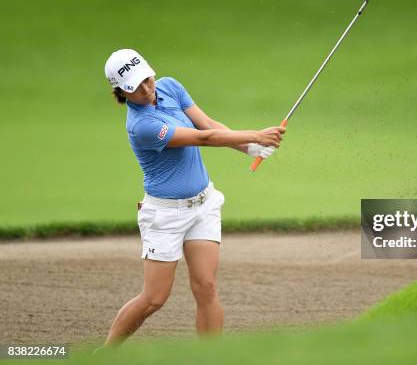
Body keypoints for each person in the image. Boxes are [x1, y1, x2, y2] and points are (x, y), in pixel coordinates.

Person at [102, 48, 284, 345]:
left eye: (147, 79)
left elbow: (209, 125)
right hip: (165, 216)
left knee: (206, 286)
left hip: (203, 205)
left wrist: (248, 149)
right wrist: (254, 135)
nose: (147, 89)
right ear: (122, 91)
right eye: (136, 87)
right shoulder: (141, 126)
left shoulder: (171, 87)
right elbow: (203, 139)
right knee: (154, 299)